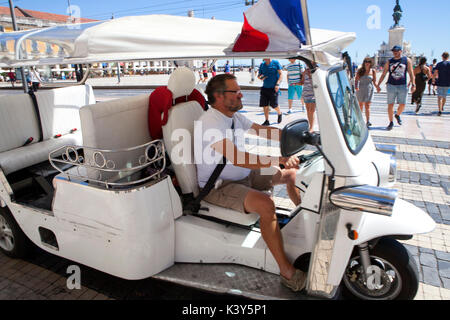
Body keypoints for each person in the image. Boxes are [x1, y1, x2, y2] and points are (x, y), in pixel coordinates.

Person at [196, 74, 306, 292]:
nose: (241, 94)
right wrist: (278, 159)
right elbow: (237, 158)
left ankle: (300, 222)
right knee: (266, 205)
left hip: (243, 175)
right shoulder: (209, 122)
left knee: (291, 173)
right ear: (219, 96)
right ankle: (286, 271)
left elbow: (263, 130)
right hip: (220, 186)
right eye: (235, 91)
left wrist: (300, 136)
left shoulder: (234, 117)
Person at [376, 45, 415, 131]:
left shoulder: (406, 60)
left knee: (403, 104)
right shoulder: (389, 61)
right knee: (390, 104)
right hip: (391, 85)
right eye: (393, 51)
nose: (395, 52)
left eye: (397, 50)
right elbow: (384, 73)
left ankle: (397, 115)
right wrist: (378, 84)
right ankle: (391, 122)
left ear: (401, 51)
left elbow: (411, 73)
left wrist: (413, 84)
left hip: (402, 85)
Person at [258, 58, 283, 125]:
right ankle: (267, 120)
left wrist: (277, 84)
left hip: (274, 88)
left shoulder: (276, 62)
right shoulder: (262, 65)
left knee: (274, 105)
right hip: (265, 88)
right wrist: (261, 77)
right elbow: (259, 76)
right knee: (265, 105)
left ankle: (279, 113)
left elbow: (281, 74)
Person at [355, 58, 379, 127]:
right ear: (364, 62)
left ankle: (368, 121)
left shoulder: (373, 71)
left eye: (369, 62)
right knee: (360, 105)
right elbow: (356, 79)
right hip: (361, 89)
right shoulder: (360, 70)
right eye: (366, 61)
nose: (367, 63)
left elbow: (374, 81)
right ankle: (359, 119)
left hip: (369, 89)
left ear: (371, 63)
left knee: (367, 105)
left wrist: (377, 87)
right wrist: (356, 87)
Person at [432, 52, 450, 116]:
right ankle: (442, 106)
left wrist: (433, 80)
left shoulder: (439, 64)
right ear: (448, 57)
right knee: (444, 96)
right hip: (447, 83)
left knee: (439, 97)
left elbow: (435, 73)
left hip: (440, 82)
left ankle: (439, 111)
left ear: (442, 56)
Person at [300, 64, 316, 131]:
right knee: (308, 110)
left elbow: (317, 82)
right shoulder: (304, 71)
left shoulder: (316, 70)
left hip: (314, 92)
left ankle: (312, 127)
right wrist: (295, 83)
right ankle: (310, 126)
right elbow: (302, 82)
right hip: (306, 92)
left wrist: (310, 75)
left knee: (312, 110)